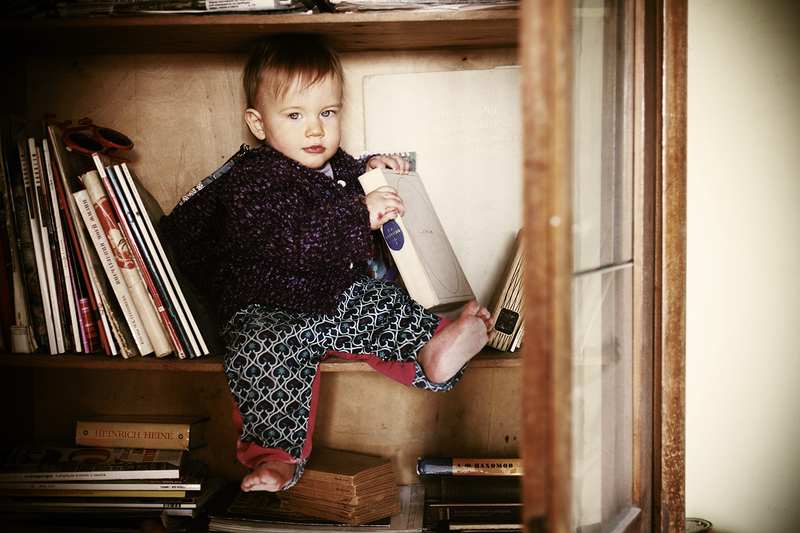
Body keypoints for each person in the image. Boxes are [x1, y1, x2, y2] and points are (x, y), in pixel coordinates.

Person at [160, 33, 495, 493]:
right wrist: (361, 213)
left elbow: (355, 183)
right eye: (295, 115)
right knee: (261, 357)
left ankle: (432, 349)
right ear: (258, 123)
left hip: (332, 299)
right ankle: (275, 458)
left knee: (381, 305)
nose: (315, 130)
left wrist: (375, 169)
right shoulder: (254, 178)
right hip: (265, 306)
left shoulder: (340, 168)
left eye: (327, 113)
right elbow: (293, 241)